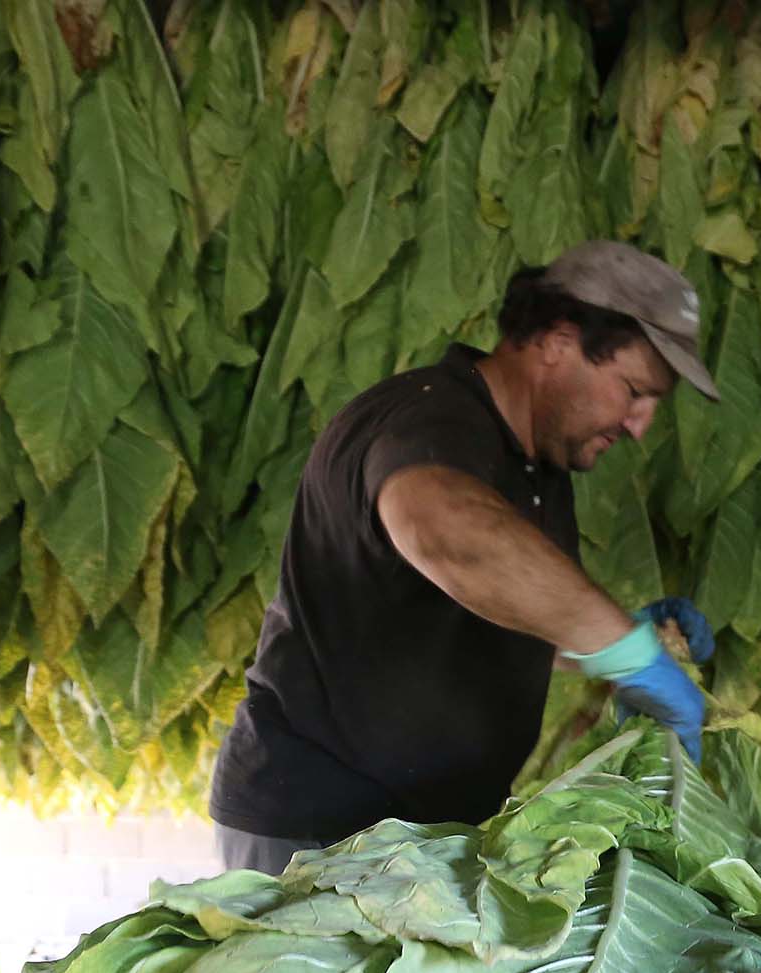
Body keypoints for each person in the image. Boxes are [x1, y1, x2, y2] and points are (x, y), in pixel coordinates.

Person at [207, 241, 721, 876]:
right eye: (635, 391)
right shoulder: (430, 416)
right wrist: (626, 650)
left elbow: (497, 603)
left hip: (422, 840)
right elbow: (449, 532)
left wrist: (617, 640)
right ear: (559, 342)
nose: (640, 425)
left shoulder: (540, 467)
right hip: (318, 830)